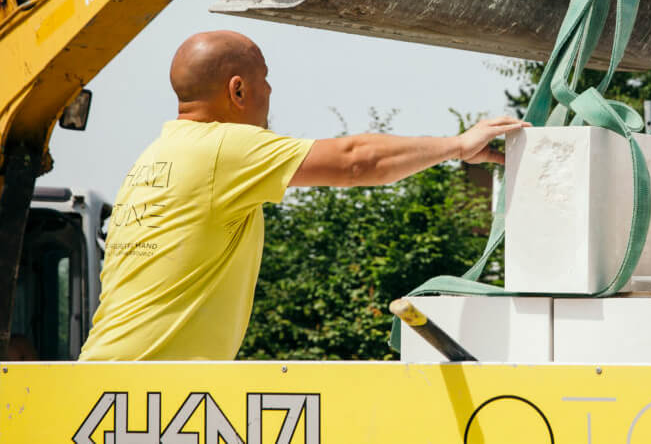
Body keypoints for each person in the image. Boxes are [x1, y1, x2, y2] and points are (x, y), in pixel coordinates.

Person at [78, 30, 527, 360]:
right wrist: (458, 145)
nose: (271, 92)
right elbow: (356, 160)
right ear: (238, 89)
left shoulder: (154, 158)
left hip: (108, 385)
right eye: (265, 80)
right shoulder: (221, 148)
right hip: (140, 395)